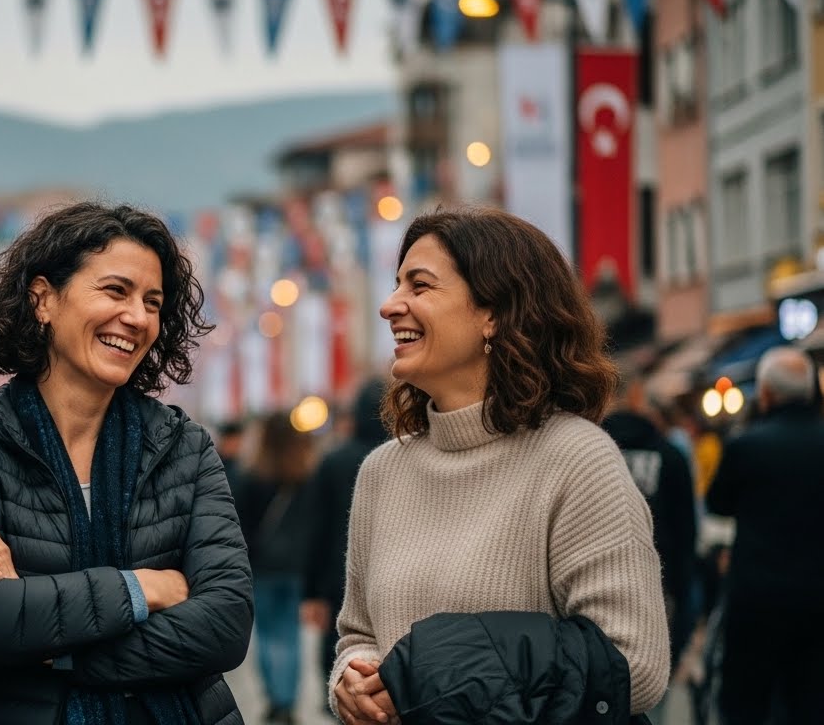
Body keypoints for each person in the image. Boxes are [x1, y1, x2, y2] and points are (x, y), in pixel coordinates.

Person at [0, 201, 253, 725]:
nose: (137, 317)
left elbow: (225, 625)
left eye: (152, 301)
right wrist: (144, 588)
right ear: (44, 299)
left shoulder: (184, 448)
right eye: (116, 291)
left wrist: (55, 646)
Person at [331, 204, 669, 724]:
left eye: (419, 287)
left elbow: (635, 664)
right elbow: (358, 634)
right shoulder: (381, 472)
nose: (389, 305)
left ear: (494, 312)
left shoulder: (578, 460)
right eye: (397, 284)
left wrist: (436, 675)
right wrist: (351, 680)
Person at [705, 346, 824, 725]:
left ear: (766, 394)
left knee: (746, 703)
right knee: (810, 700)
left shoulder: (747, 445)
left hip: (757, 597)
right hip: (818, 597)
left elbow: (717, 503)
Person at [602, 378, 698, 674]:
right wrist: (683, 596)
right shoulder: (670, 455)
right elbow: (686, 531)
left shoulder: (590, 453)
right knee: (651, 677)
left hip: (599, 583)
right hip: (659, 583)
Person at [301, 380, 387, 684]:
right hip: (387, 570)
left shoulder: (334, 460)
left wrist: (310, 591)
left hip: (335, 573)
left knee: (342, 644)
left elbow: (316, 526)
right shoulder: (400, 458)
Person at [234, 412, 317, 725]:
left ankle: (276, 700)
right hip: (295, 566)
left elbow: (240, 525)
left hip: (262, 566)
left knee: (268, 634)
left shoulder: (252, 474)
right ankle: (288, 700)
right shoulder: (305, 473)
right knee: (291, 636)